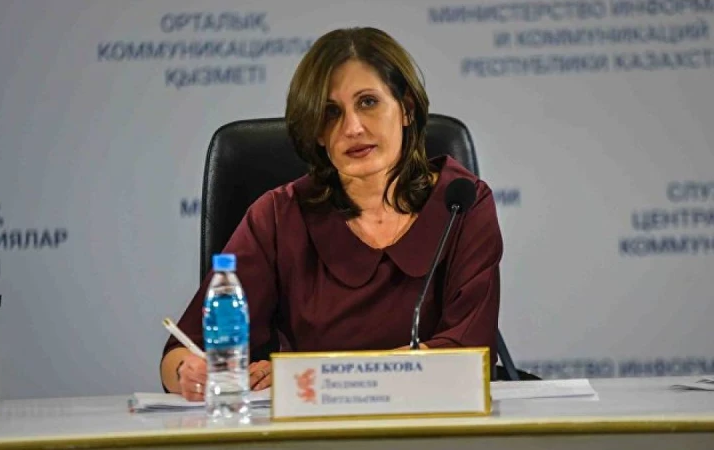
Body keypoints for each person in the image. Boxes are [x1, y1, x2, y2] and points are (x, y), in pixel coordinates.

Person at [160, 27, 503, 401]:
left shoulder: (460, 203)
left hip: (435, 420)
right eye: (330, 113)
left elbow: (469, 354)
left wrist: (309, 375)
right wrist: (187, 372)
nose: (353, 128)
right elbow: (181, 353)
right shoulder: (278, 216)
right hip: (314, 427)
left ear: (406, 108)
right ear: (318, 133)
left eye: (368, 102)